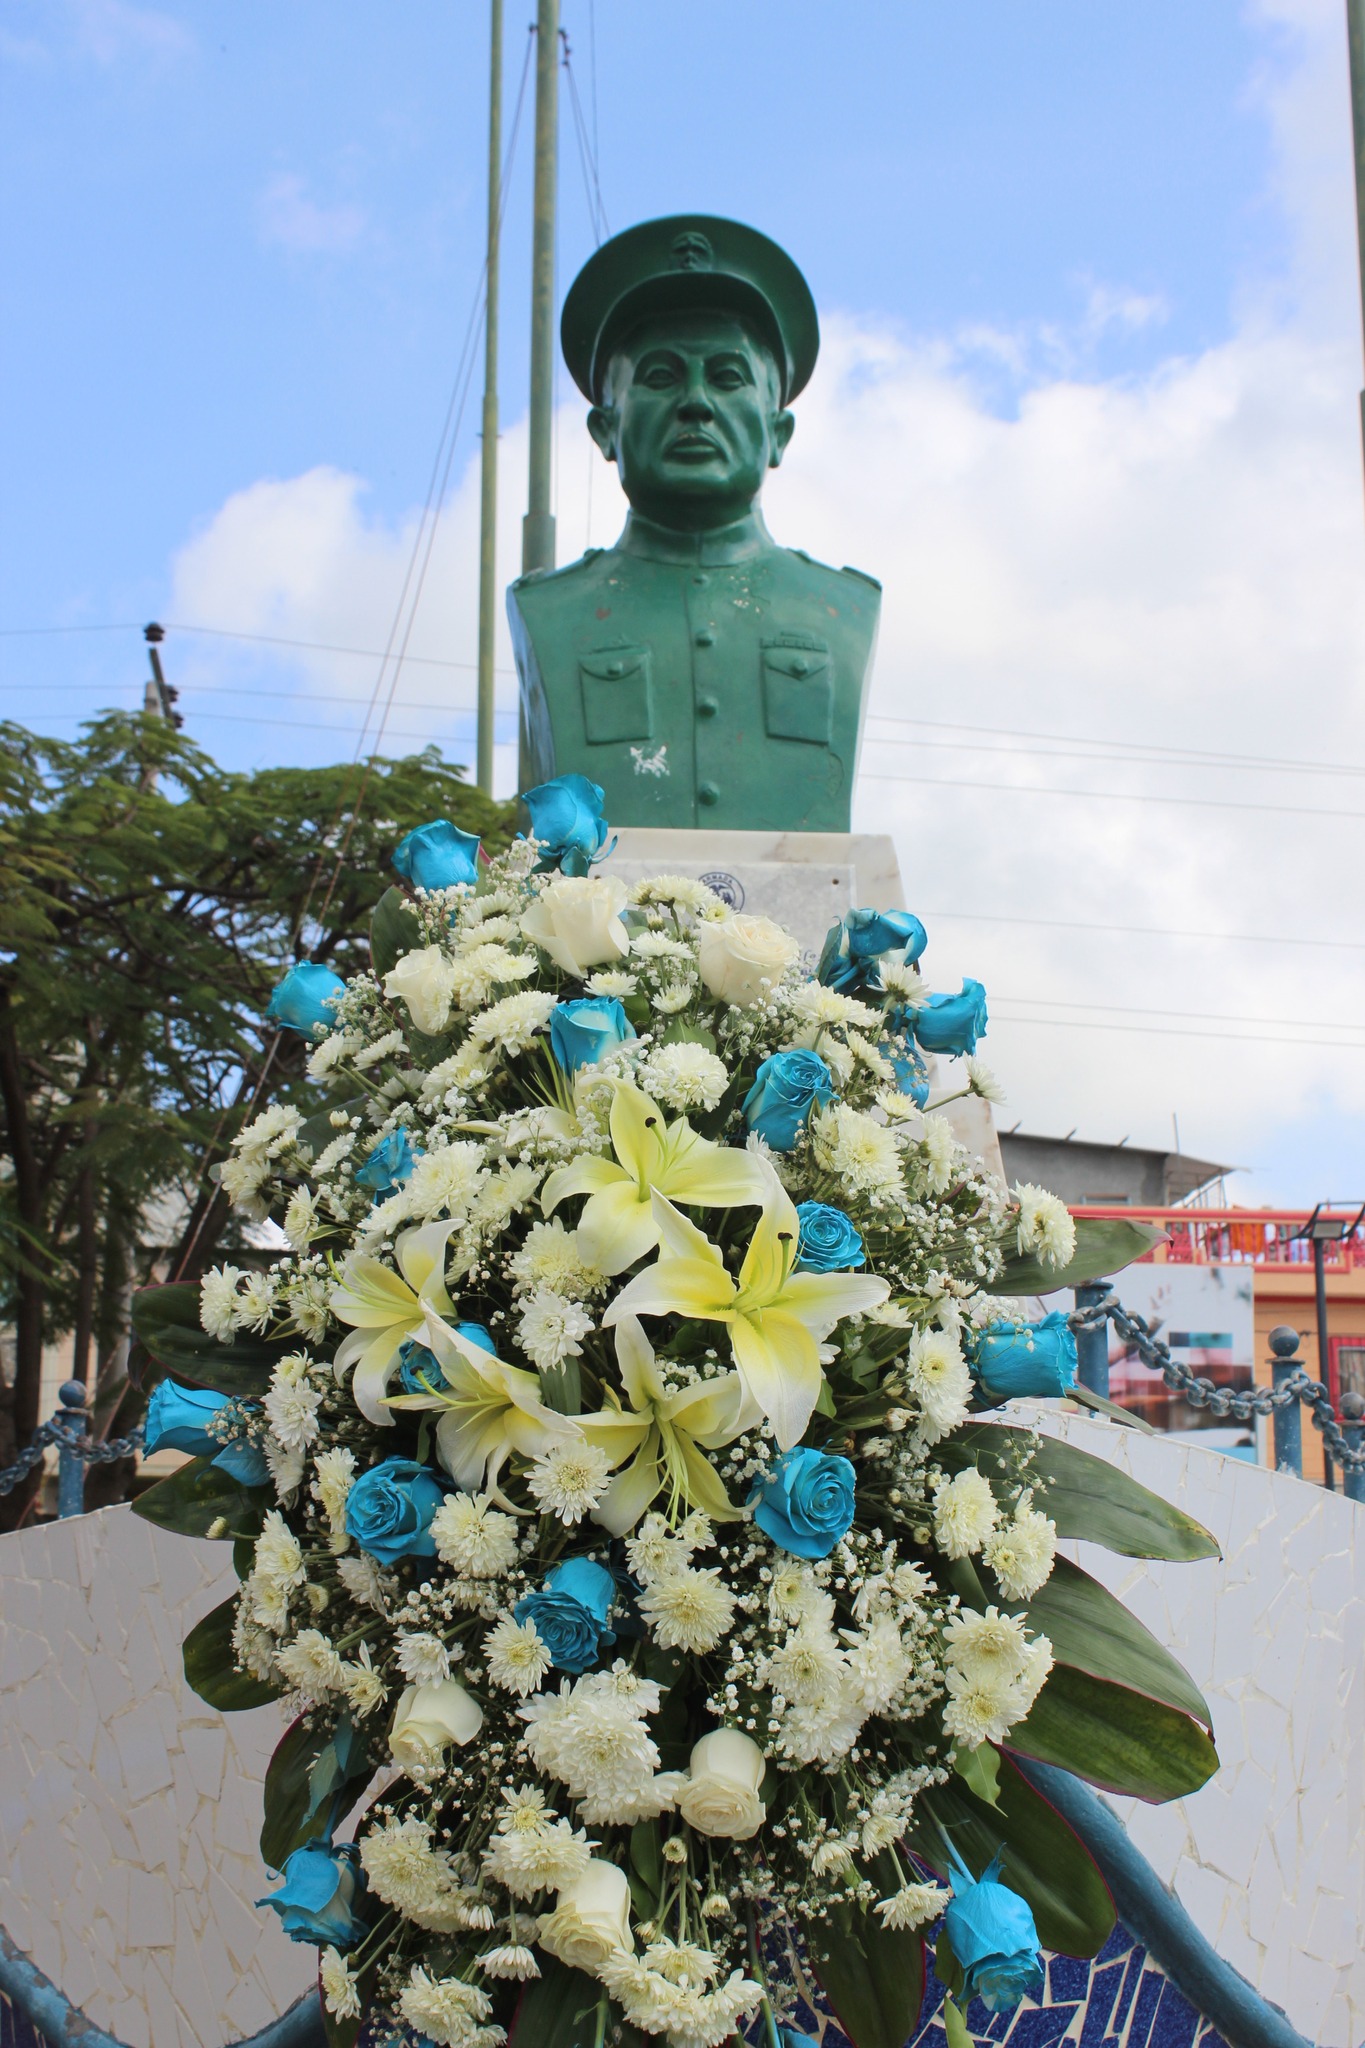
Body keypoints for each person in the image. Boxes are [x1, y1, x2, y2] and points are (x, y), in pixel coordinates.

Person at [509, 215, 880, 830]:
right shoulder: (548, 608)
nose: (697, 402)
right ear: (604, 429)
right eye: (660, 375)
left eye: (729, 377)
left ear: (779, 433)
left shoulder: (845, 607)